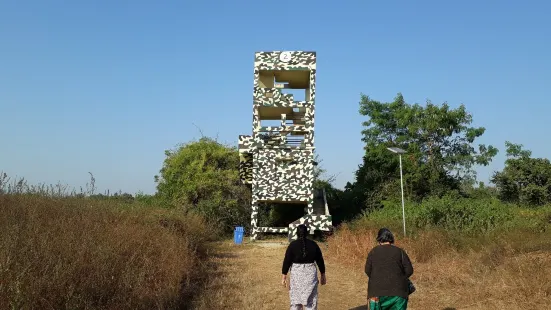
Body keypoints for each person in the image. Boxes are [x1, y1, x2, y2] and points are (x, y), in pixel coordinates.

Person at [365, 228, 414, 310]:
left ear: (379, 239)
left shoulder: (373, 252)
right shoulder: (400, 251)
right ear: (391, 239)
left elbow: (367, 270)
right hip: (399, 294)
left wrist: (378, 277)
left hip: (376, 293)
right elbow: (409, 271)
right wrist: (399, 278)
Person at [281, 224, 326, 310]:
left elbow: (287, 261)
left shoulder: (292, 245)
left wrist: (284, 276)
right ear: (307, 233)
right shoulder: (314, 245)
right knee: (311, 302)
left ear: (297, 233)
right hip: (310, 276)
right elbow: (320, 260)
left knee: (295, 302)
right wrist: (323, 274)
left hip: (296, 276)